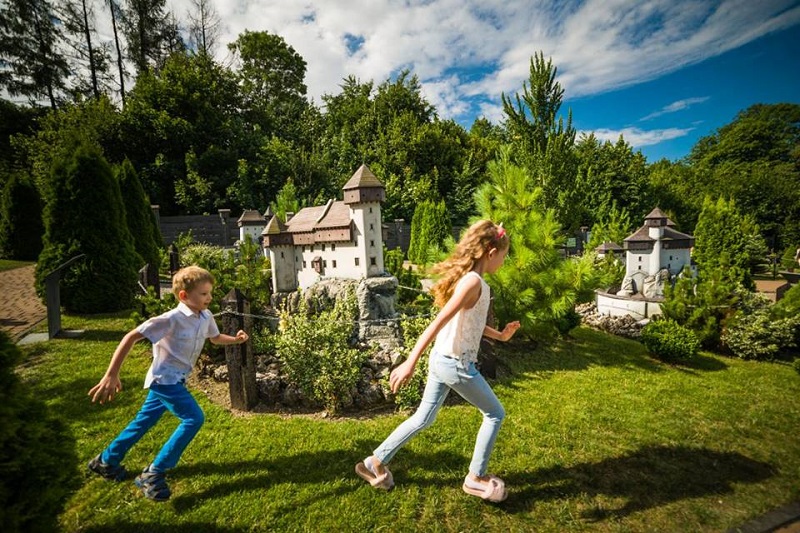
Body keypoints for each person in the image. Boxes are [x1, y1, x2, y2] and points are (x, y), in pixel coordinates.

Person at [355, 220, 520, 502]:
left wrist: (501, 336)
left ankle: (375, 462)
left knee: (423, 418)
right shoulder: (473, 282)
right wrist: (409, 362)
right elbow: (438, 322)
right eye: (504, 257)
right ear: (491, 252)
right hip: (455, 365)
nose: (503, 262)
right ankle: (475, 478)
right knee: (495, 414)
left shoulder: (473, 281)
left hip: (442, 361)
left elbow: (470, 323)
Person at [87, 265, 249, 501]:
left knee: (143, 421)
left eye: (210, 293)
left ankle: (106, 460)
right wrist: (111, 374)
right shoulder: (170, 320)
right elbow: (131, 336)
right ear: (184, 296)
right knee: (194, 418)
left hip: (177, 380)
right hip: (165, 380)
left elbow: (214, 338)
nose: (210, 298)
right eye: (204, 294)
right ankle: (153, 473)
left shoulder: (205, 317)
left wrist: (235, 339)